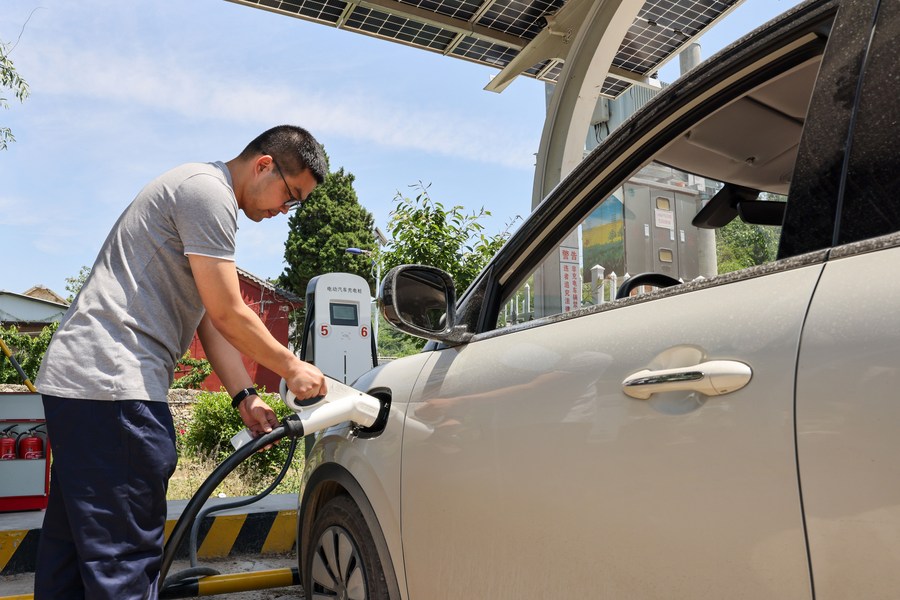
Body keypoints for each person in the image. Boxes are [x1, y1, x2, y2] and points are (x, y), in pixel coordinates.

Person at [33, 124, 329, 599]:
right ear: (263, 165)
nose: (283, 212)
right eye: (289, 195)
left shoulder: (198, 192)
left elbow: (210, 322)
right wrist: (292, 366)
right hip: (115, 389)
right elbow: (230, 313)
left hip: (83, 388)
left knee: (69, 559)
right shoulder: (207, 193)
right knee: (124, 567)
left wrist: (245, 397)